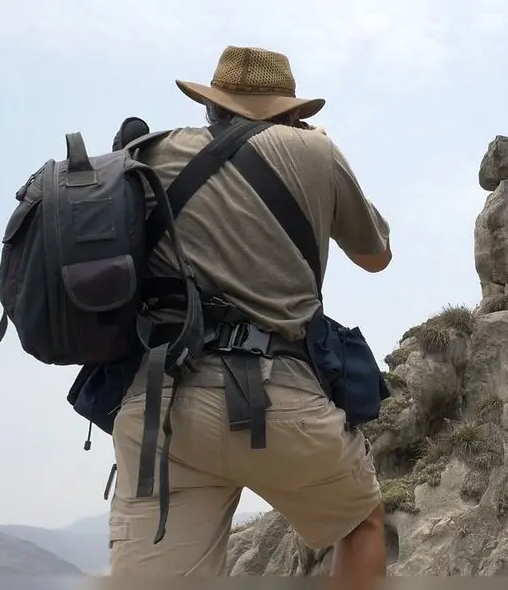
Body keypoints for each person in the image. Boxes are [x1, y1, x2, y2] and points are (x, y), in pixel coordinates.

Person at [106, 45, 392, 578]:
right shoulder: (314, 153)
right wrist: (319, 152)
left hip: (159, 413)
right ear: (291, 112)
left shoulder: (150, 155)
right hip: (279, 404)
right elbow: (377, 256)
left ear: (211, 106)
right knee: (362, 522)